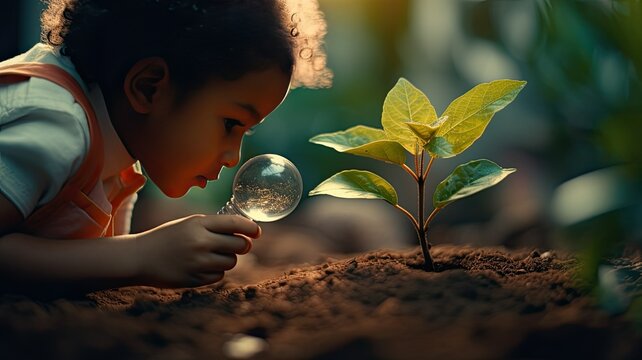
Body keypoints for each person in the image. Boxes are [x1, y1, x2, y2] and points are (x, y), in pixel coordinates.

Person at [0, 0, 331, 294]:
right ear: (148, 88)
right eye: (231, 124)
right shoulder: (56, 123)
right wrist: (139, 254)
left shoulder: (120, 148)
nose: (233, 157)